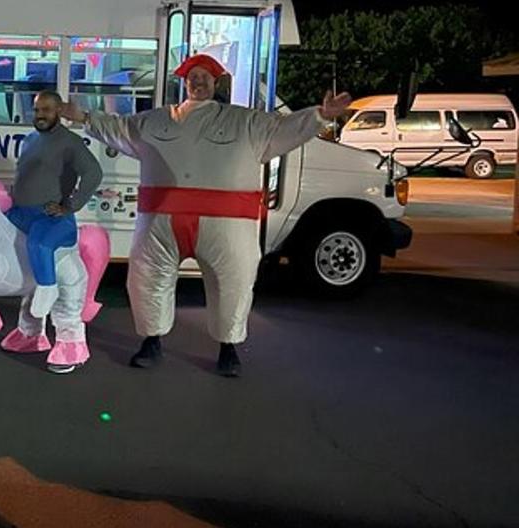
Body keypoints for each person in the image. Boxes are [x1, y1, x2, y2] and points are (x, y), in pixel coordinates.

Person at [62, 53, 352, 377]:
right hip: (162, 222)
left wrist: (319, 116)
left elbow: (284, 129)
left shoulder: (245, 122)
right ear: (184, 83)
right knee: (146, 279)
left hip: (228, 224)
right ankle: (151, 341)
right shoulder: (155, 121)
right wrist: (84, 117)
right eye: (192, 77)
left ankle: (228, 349)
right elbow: (118, 128)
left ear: (216, 83)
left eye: (205, 77)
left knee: (234, 282)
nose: (198, 82)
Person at [5, 90, 103, 319]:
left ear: (59, 110)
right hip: (21, 213)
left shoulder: (70, 141)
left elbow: (93, 173)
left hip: (49, 217)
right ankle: (28, 332)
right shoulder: (30, 139)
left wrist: (70, 206)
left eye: (46, 110)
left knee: (39, 245)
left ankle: (48, 290)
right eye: (37, 110)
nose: (40, 115)